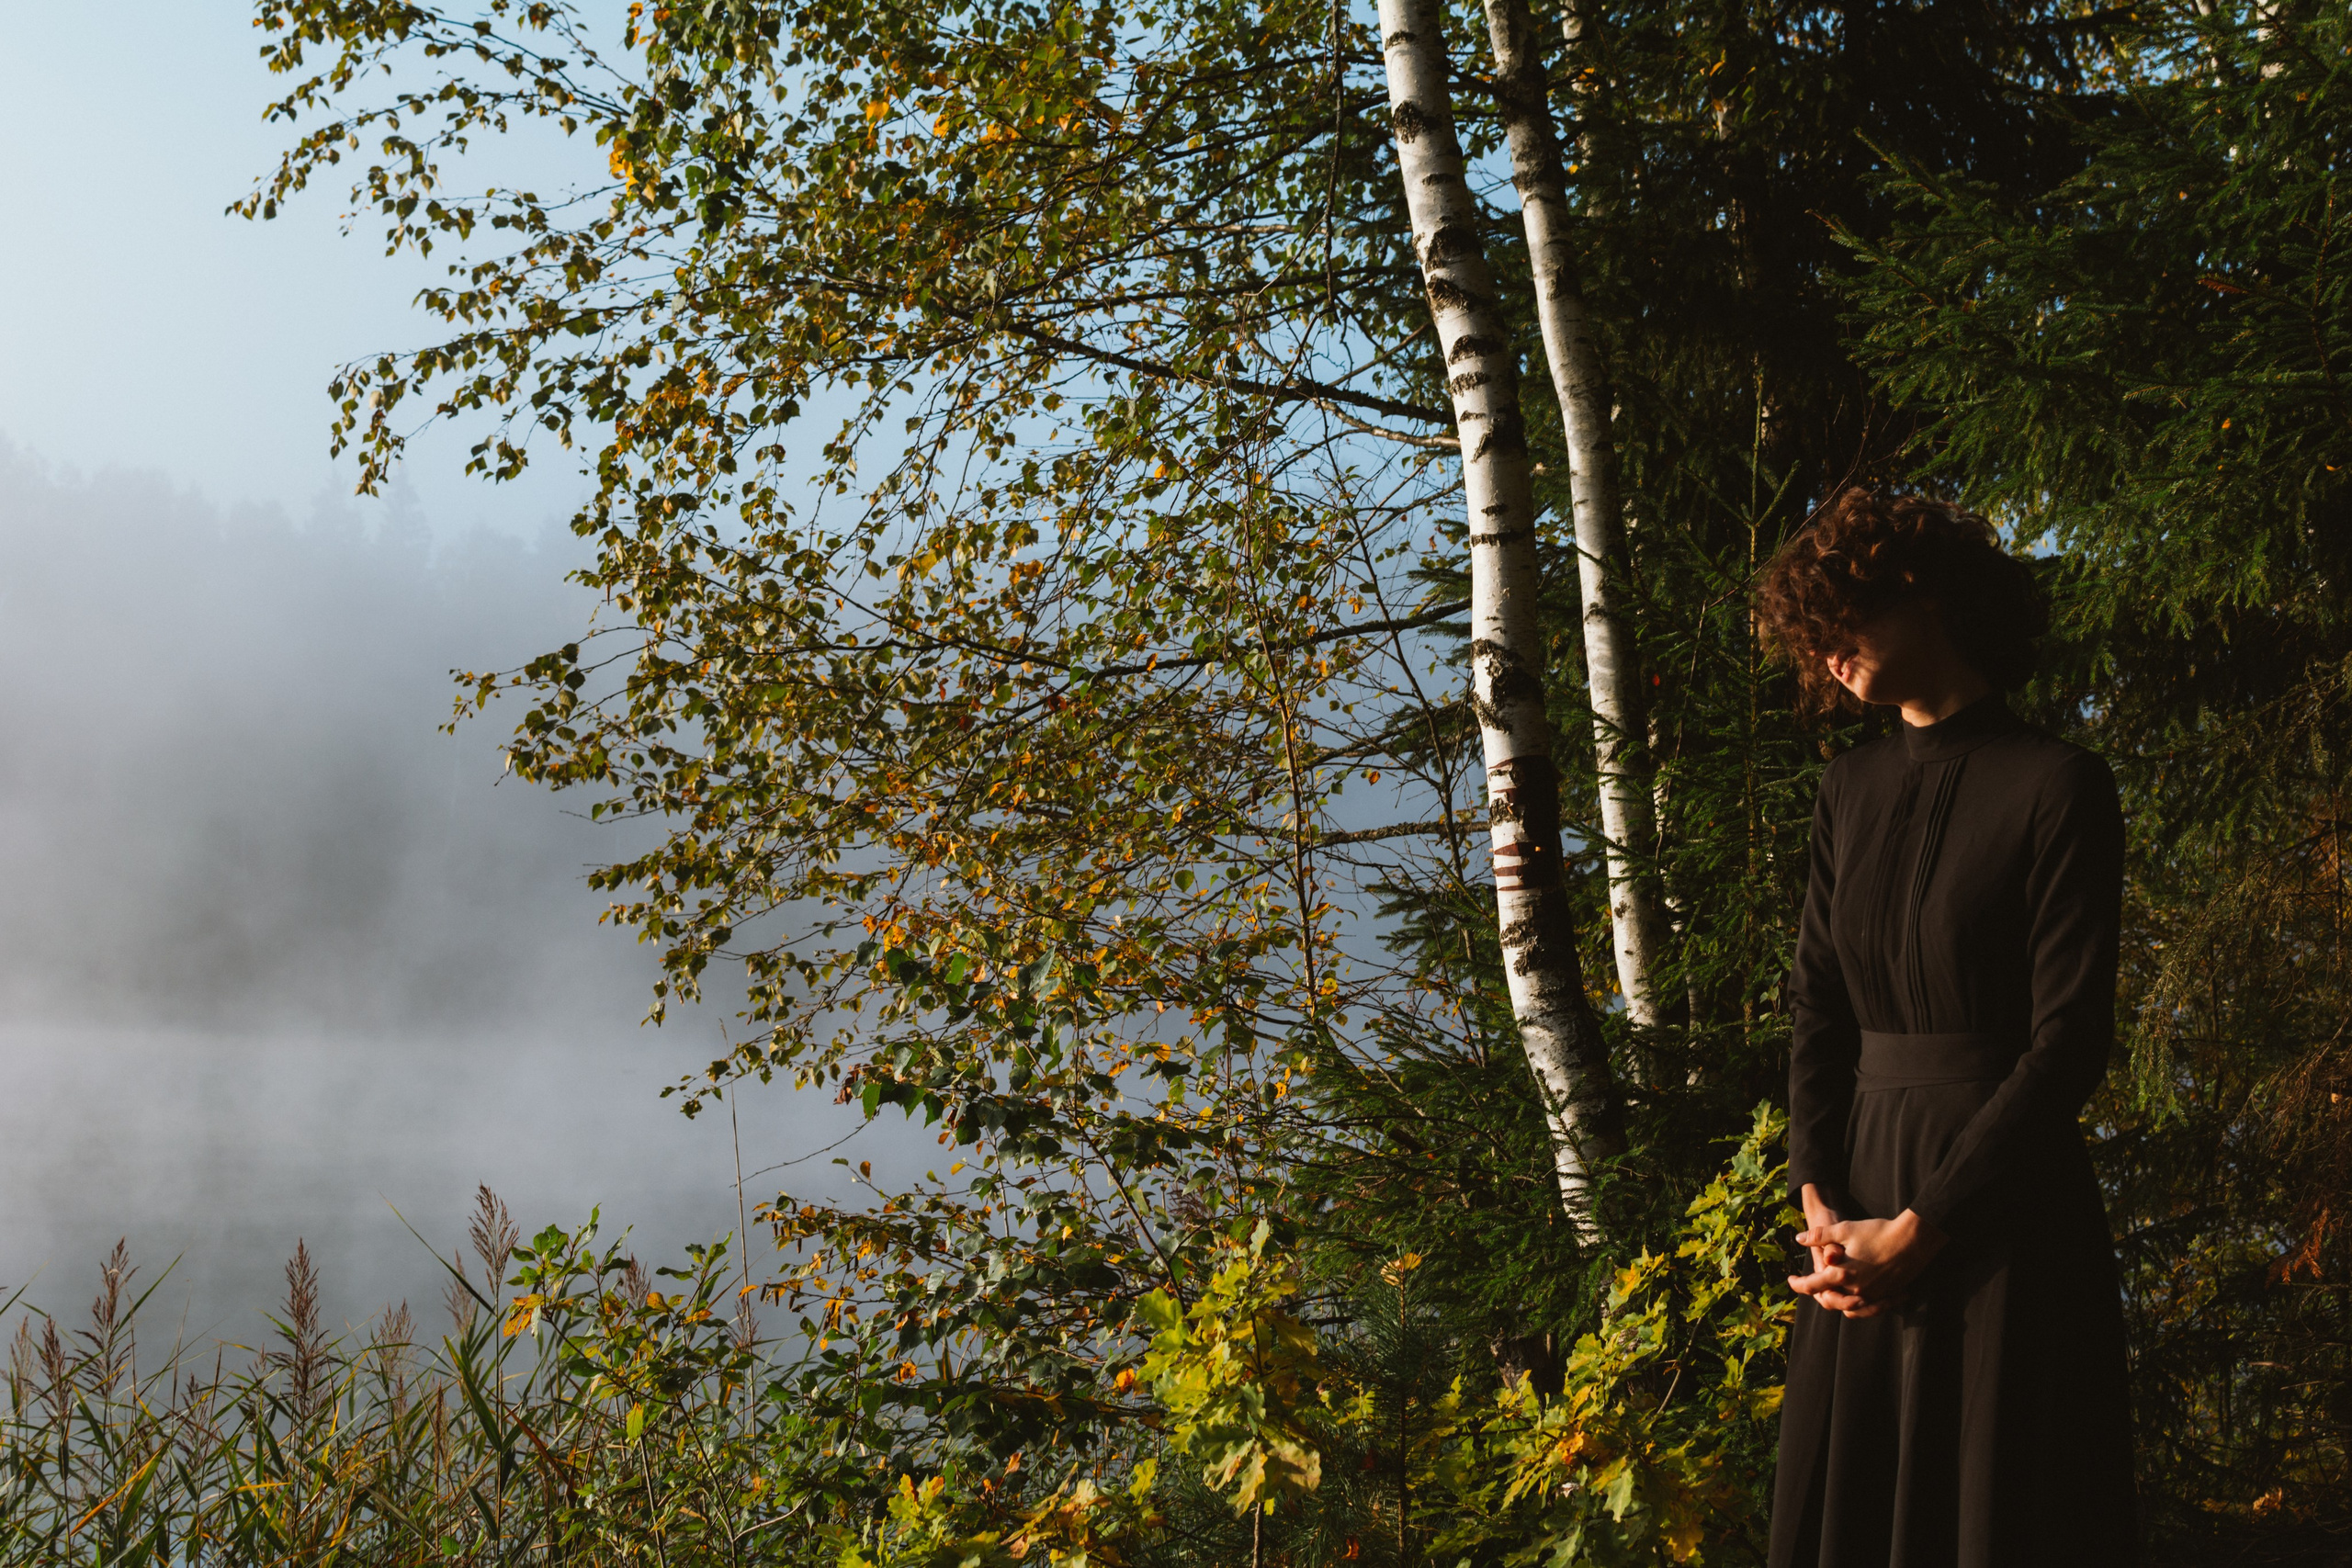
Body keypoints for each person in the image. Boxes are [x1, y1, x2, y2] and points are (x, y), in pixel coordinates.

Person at [1752, 488, 2138, 1566]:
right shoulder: (1850, 788)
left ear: (1921, 596)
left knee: (1994, 1515)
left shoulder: (2059, 786)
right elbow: (1818, 1003)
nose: (1826, 655)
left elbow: (2068, 1041)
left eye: (1843, 623)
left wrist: (1925, 1228)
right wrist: (1819, 1196)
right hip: (1859, 1200)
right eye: (1811, 638)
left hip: (2000, 1207)